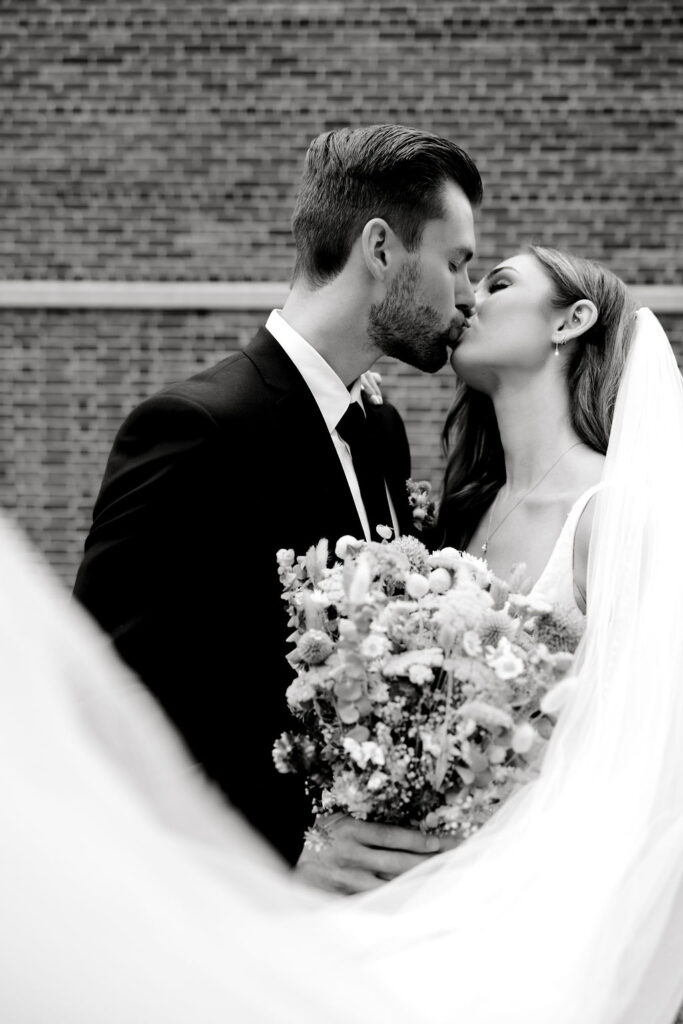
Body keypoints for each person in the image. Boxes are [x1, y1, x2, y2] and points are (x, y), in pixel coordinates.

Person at [72, 124, 483, 874]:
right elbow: (107, 695)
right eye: (455, 262)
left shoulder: (381, 430)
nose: (465, 295)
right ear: (382, 247)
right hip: (230, 908)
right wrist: (285, 848)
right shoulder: (196, 430)